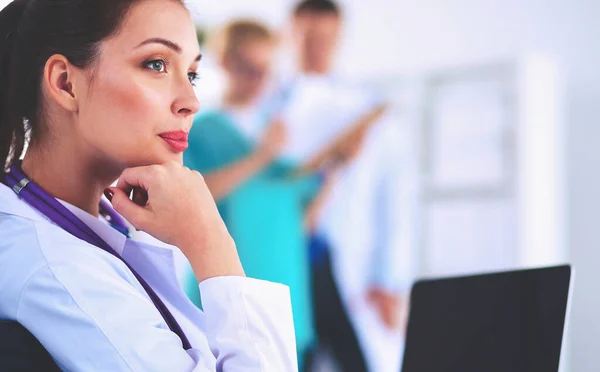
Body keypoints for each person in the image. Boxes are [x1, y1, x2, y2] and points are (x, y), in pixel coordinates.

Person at [0, 0, 298, 370]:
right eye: (156, 64)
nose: (191, 102)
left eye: (192, 74)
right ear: (66, 83)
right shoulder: (54, 268)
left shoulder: (95, 223)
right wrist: (212, 244)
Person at [182, 20, 361, 369]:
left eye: (266, 72)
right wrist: (261, 157)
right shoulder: (201, 129)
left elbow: (303, 221)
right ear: (225, 62)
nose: (259, 82)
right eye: (250, 69)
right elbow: (194, 195)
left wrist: (336, 167)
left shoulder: (282, 128)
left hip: (286, 282)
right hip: (230, 283)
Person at [278, 1, 419, 371]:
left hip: (345, 265)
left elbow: (395, 199)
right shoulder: (269, 106)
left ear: (340, 38)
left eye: (326, 38)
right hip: (284, 259)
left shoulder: (367, 110)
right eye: (307, 36)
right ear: (290, 34)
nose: (316, 47)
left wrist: (390, 277)